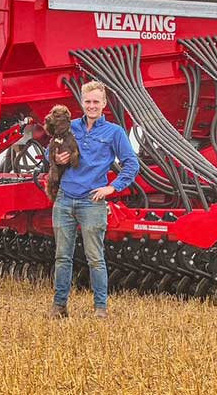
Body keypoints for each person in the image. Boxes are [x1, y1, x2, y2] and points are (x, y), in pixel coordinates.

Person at [47, 81, 139, 319]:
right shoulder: (69, 127)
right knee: (62, 256)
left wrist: (112, 187)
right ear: (82, 102)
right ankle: (59, 307)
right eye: (87, 101)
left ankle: (100, 308)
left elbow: (131, 163)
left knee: (95, 258)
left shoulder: (114, 132)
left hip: (92, 202)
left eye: (96, 102)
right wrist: (58, 158)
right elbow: (53, 153)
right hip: (65, 199)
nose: (91, 106)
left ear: (104, 104)